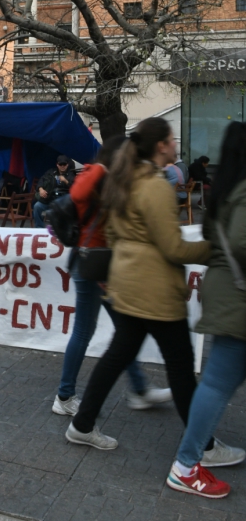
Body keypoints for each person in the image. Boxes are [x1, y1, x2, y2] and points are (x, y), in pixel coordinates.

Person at [66, 118, 244, 469]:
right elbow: (175, 249)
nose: (176, 145)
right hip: (155, 291)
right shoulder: (157, 186)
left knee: (117, 356)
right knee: (179, 367)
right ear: (162, 145)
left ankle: (82, 423)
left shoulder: (126, 179)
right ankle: (203, 447)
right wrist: (215, 253)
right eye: (172, 140)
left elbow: (117, 235)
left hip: (129, 284)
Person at [52, 136, 171, 417]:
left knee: (124, 331)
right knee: (86, 331)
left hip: (95, 264)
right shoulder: (102, 178)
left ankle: (139, 390)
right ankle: (65, 396)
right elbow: (93, 206)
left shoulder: (98, 176)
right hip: (94, 265)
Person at [167, 122, 246, 499]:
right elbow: (241, 241)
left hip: (227, 293)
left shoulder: (224, 191)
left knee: (215, 383)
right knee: (214, 384)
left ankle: (189, 461)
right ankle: (186, 464)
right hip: (237, 300)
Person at [33, 156, 76, 228]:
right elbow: (41, 180)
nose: (62, 166)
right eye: (60, 164)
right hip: (49, 199)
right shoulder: (51, 172)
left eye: (64, 164)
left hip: (63, 202)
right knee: (37, 206)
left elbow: (75, 188)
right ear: (57, 164)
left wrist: (66, 181)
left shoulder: (71, 175)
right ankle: (39, 228)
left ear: (67, 165)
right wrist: (41, 189)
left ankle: (62, 230)